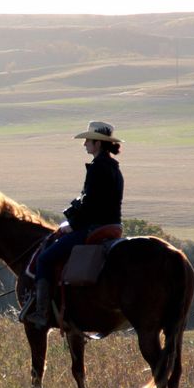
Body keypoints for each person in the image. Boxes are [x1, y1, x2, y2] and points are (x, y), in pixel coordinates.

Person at [25, 120, 124, 329]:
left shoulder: (98, 167)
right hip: (113, 226)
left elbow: (91, 204)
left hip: (94, 227)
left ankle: (42, 313)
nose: (85, 144)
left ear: (98, 143)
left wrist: (73, 224)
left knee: (45, 259)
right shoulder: (114, 167)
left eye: (88, 140)